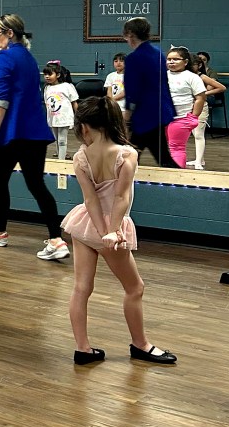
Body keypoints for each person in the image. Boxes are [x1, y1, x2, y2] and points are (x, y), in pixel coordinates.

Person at [61, 97, 177, 365]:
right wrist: (112, 231)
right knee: (135, 288)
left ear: (85, 127)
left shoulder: (81, 157)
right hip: (112, 227)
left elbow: (90, 199)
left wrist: (101, 231)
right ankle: (141, 345)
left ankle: (83, 349)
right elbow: (121, 198)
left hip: (85, 224)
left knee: (81, 288)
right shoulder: (126, 154)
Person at [0, 14, 69, 261]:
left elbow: (1, 100)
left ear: (10, 33)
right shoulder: (29, 58)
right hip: (34, 133)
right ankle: (56, 240)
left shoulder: (4, 57)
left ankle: (0, 232)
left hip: (11, 133)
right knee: (37, 185)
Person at [122, 17, 176, 167]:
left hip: (145, 114)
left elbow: (133, 90)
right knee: (157, 155)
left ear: (130, 34)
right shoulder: (158, 53)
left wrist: (127, 114)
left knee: (131, 156)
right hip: (161, 110)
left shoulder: (134, 58)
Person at [164, 47, 206, 169]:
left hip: (180, 118)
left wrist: (193, 117)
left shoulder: (192, 77)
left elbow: (200, 98)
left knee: (176, 148)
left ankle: (176, 175)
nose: (171, 62)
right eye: (169, 59)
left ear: (186, 62)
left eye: (176, 59)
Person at [185, 51, 226, 170]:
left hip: (201, 107)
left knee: (198, 134)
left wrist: (203, 94)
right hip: (188, 107)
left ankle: (198, 161)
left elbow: (221, 88)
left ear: (199, 65)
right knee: (194, 134)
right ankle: (200, 159)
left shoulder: (202, 76)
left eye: (192, 64)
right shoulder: (185, 76)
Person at [43, 61, 79, 160]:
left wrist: (78, 115)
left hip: (64, 117)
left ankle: (61, 160)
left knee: (62, 140)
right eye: (45, 74)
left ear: (58, 75)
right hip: (53, 118)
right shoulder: (47, 88)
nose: (47, 76)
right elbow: (47, 103)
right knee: (57, 139)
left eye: (50, 74)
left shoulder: (67, 86)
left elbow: (74, 102)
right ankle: (60, 158)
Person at [104, 53, 127, 118]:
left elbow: (125, 92)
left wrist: (112, 100)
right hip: (112, 105)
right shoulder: (110, 76)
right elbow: (109, 90)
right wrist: (110, 101)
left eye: (121, 61)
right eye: (116, 61)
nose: (118, 63)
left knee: (122, 122)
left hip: (124, 107)